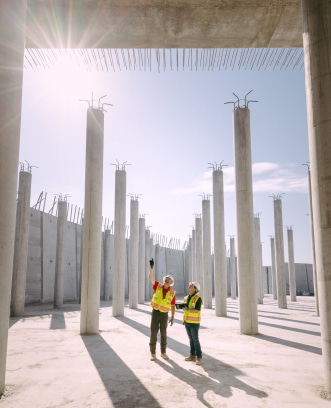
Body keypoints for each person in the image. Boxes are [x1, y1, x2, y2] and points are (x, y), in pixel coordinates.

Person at [148, 258, 176, 361]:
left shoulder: (172, 293)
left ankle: (163, 352)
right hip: (155, 313)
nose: (166, 280)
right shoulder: (158, 286)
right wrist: (151, 268)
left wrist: (173, 317)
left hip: (164, 315)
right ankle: (153, 353)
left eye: (168, 279)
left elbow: (173, 306)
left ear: (171, 282)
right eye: (166, 279)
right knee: (153, 332)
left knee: (163, 333)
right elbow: (150, 277)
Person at [182, 282, 203, 365]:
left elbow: (197, 310)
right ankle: (192, 355)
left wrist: (187, 309)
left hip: (194, 323)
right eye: (189, 285)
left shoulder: (198, 298)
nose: (189, 285)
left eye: (191, 285)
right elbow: (185, 310)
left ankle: (199, 357)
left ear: (195, 289)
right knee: (191, 339)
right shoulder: (186, 298)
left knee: (195, 339)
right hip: (187, 322)